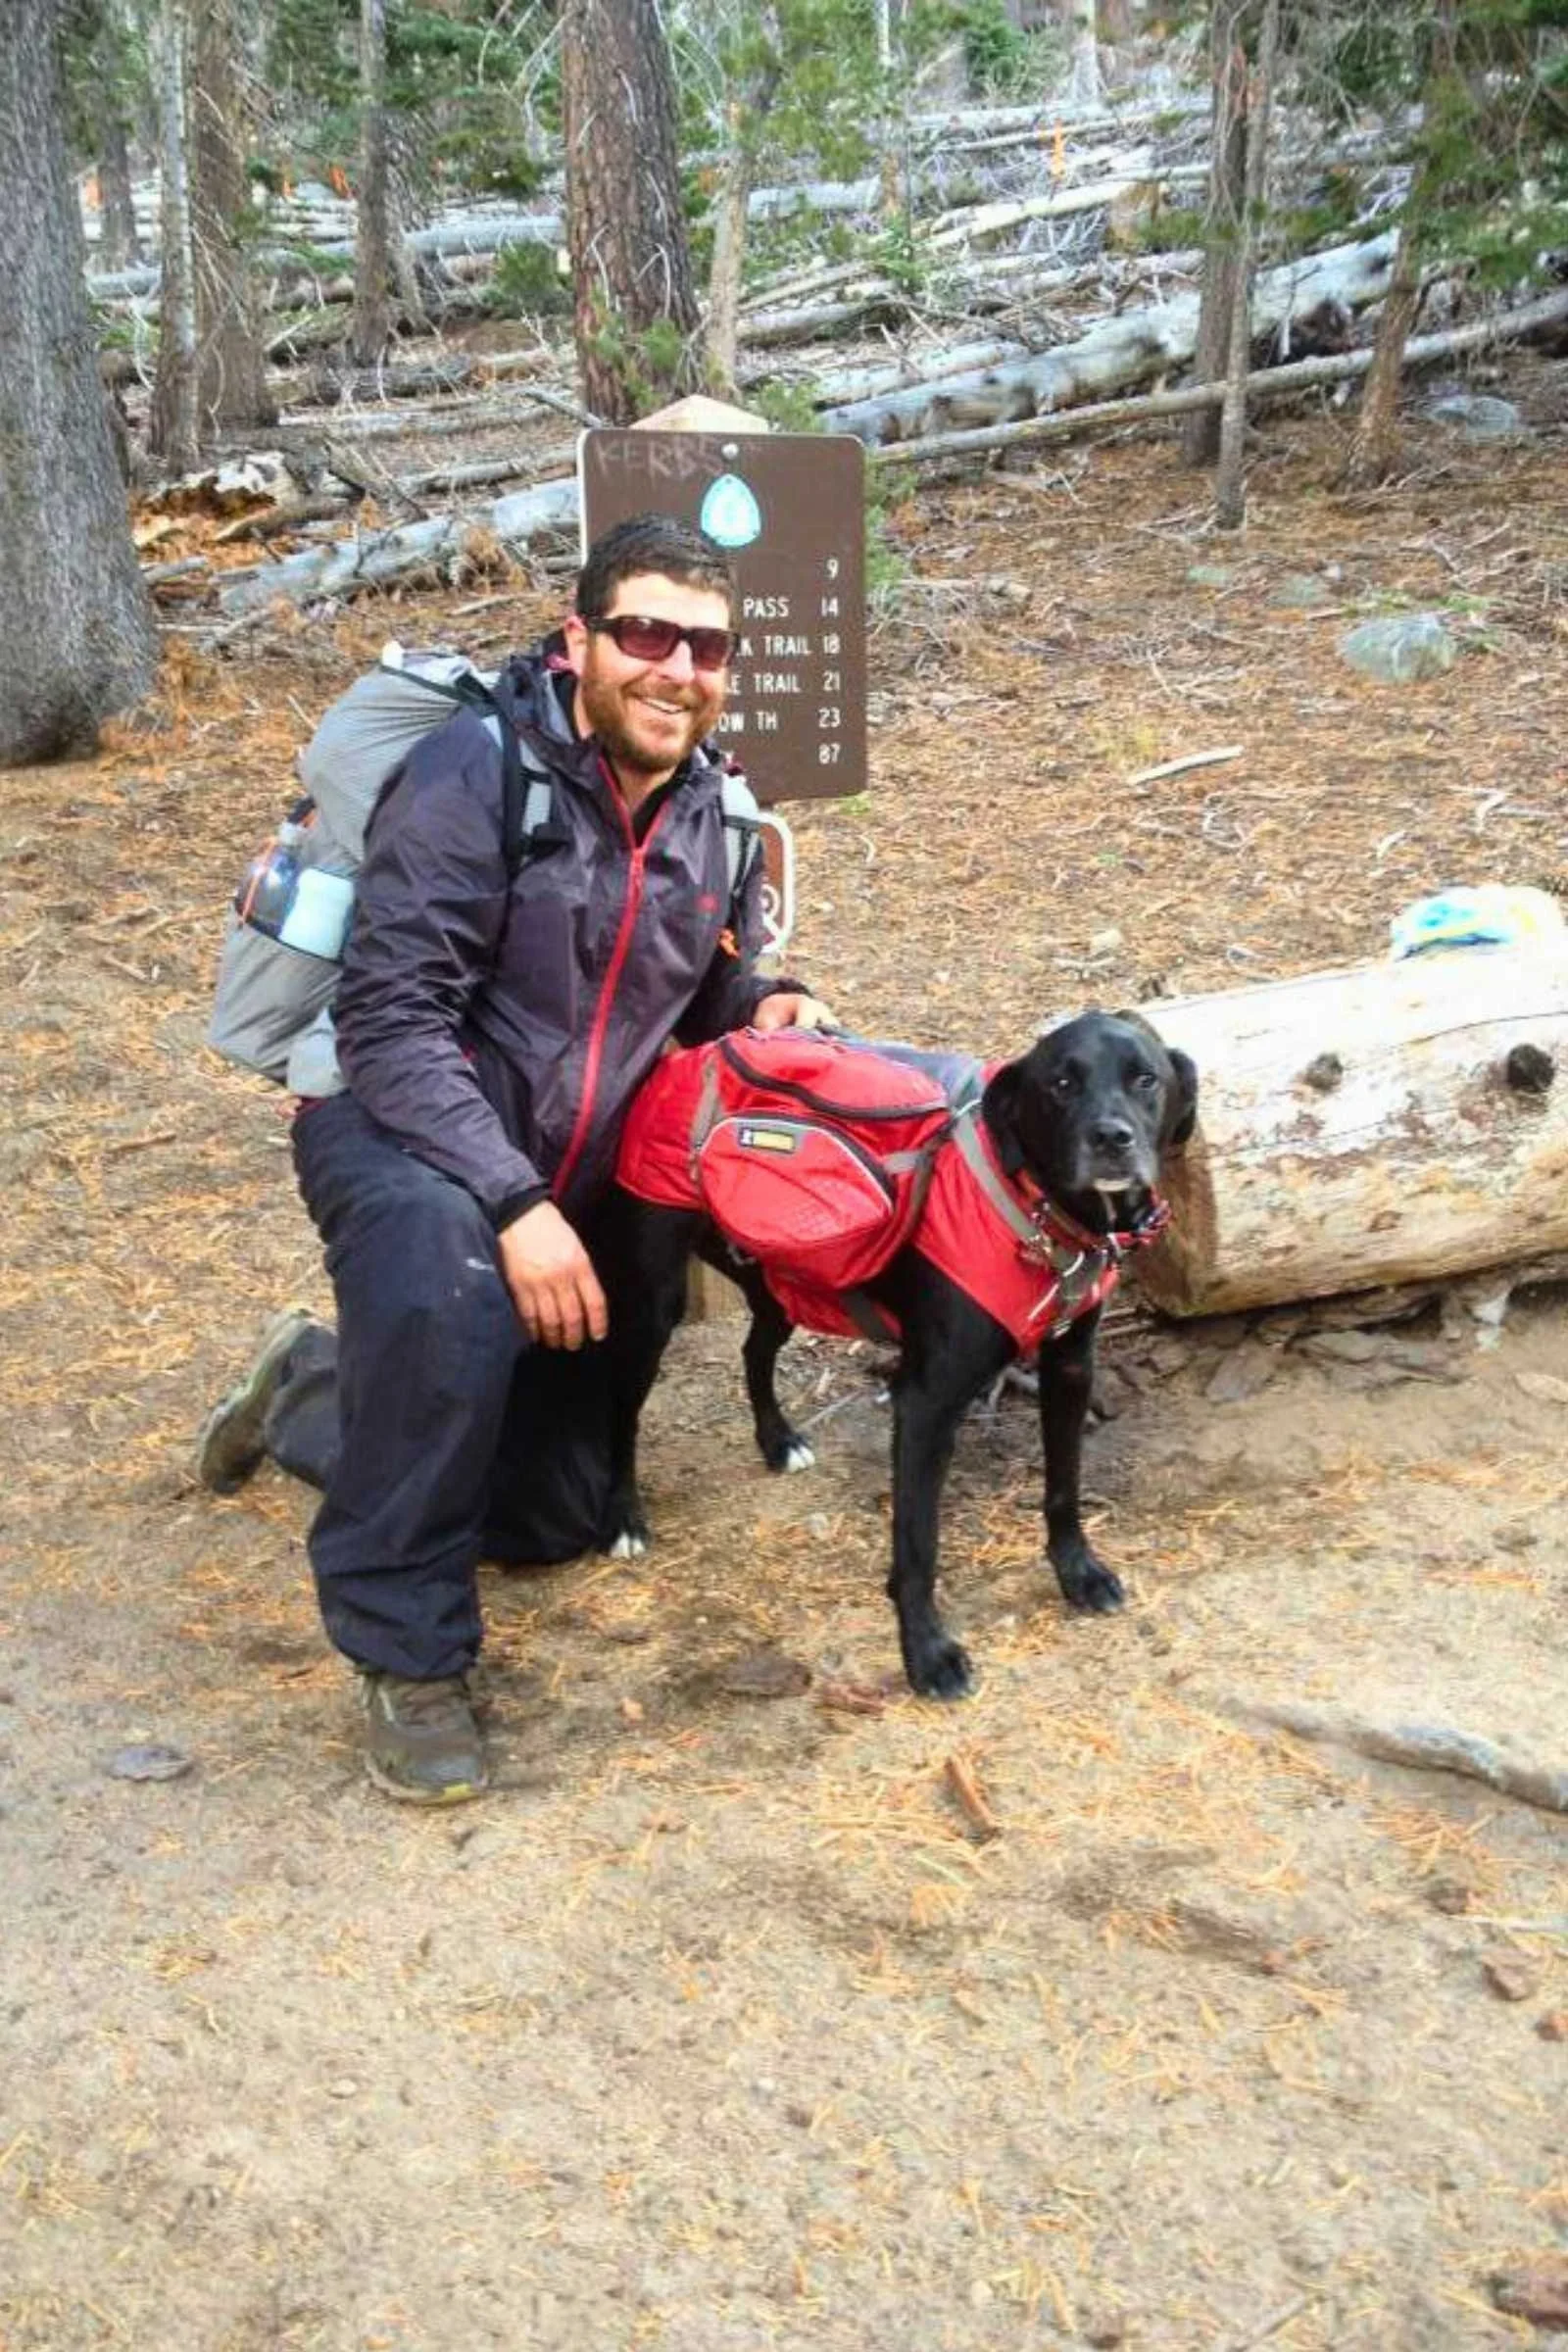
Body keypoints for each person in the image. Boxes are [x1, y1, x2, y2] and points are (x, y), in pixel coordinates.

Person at [198, 514, 832, 1804]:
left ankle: (310, 1390)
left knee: (555, 1514)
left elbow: (680, 1002)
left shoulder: (710, 811)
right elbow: (390, 1019)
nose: (677, 667)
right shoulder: (477, 772)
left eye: (705, 645)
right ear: (583, 640)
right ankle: (409, 1659)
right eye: (646, 633)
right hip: (394, 1121)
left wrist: (766, 1007)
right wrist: (514, 1204)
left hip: (561, 1162)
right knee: (450, 1292)